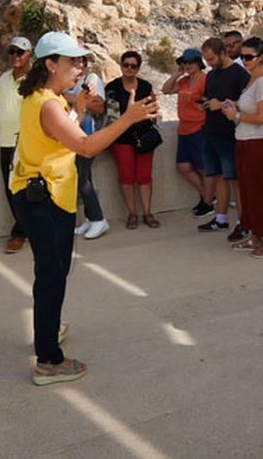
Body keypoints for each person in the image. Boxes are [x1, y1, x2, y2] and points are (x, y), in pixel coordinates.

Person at [12, 32, 158, 385]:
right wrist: (128, 118)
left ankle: (48, 329)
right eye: (72, 61)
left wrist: (76, 111)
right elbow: (85, 147)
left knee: (54, 271)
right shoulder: (48, 103)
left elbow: (60, 137)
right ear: (50, 64)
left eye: (81, 61)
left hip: (46, 195)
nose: (80, 67)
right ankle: (48, 360)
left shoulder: (49, 98)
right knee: (51, 275)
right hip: (43, 198)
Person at [219, 36, 263, 257]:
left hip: (257, 143)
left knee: (260, 193)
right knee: (247, 193)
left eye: (249, 57)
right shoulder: (252, 81)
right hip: (245, 142)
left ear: (262, 57)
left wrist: (235, 114)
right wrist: (235, 106)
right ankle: (255, 236)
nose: (244, 60)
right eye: (242, 56)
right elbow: (252, 109)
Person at [0, 36, 33, 254]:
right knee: (11, 190)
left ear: (29, 55)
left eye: (19, 52)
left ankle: (20, 233)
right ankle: (25, 229)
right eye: (11, 52)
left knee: (30, 190)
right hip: (6, 143)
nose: (15, 57)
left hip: (29, 144)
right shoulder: (4, 78)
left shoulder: (35, 81)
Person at [198, 37, 250, 239]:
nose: (209, 63)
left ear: (222, 53)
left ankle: (243, 221)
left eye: (211, 58)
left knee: (235, 180)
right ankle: (221, 218)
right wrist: (206, 104)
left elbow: (248, 102)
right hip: (211, 131)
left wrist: (223, 104)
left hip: (230, 134)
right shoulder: (211, 76)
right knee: (219, 177)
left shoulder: (239, 74)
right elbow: (212, 98)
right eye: (206, 60)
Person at [105, 50, 160, 229]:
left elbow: (153, 109)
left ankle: (147, 212)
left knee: (144, 176)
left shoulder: (145, 86)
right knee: (126, 177)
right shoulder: (112, 87)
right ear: (121, 66)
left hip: (144, 137)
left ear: (138, 68)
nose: (129, 68)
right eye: (126, 65)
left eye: (133, 66)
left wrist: (149, 115)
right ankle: (132, 213)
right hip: (122, 139)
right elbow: (111, 116)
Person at [162, 48, 212, 216]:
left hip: (199, 128)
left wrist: (203, 103)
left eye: (191, 62)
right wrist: (177, 74)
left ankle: (207, 201)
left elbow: (210, 100)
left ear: (199, 63)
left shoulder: (205, 80)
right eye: (185, 62)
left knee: (203, 167)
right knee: (183, 166)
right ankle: (207, 197)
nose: (187, 65)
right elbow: (166, 89)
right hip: (184, 129)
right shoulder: (184, 81)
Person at [66, 64, 111, 240]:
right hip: (75, 137)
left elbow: (98, 106)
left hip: (87, 136)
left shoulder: (91, 80)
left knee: (82, 178)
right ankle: (90, 218)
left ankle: (99, 219)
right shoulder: (73, 83)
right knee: (84, 178)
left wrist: (70, 98)